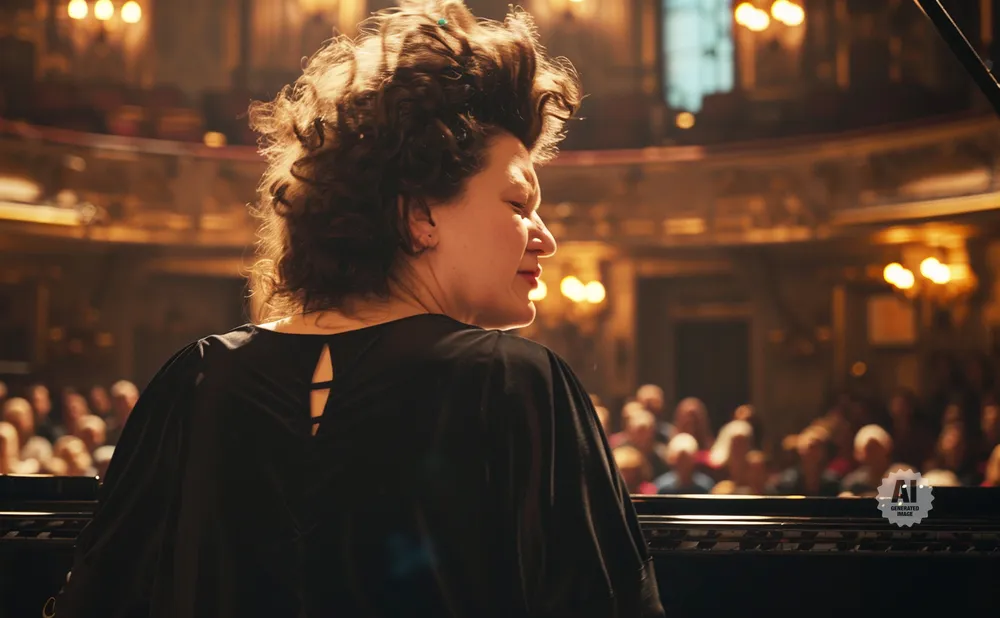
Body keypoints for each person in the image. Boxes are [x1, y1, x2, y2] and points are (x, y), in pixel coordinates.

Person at [54, 2, 665, 617]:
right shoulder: (515, 382)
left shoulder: (195, 378)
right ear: (418, 214)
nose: (545, 238)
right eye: (518, 204)